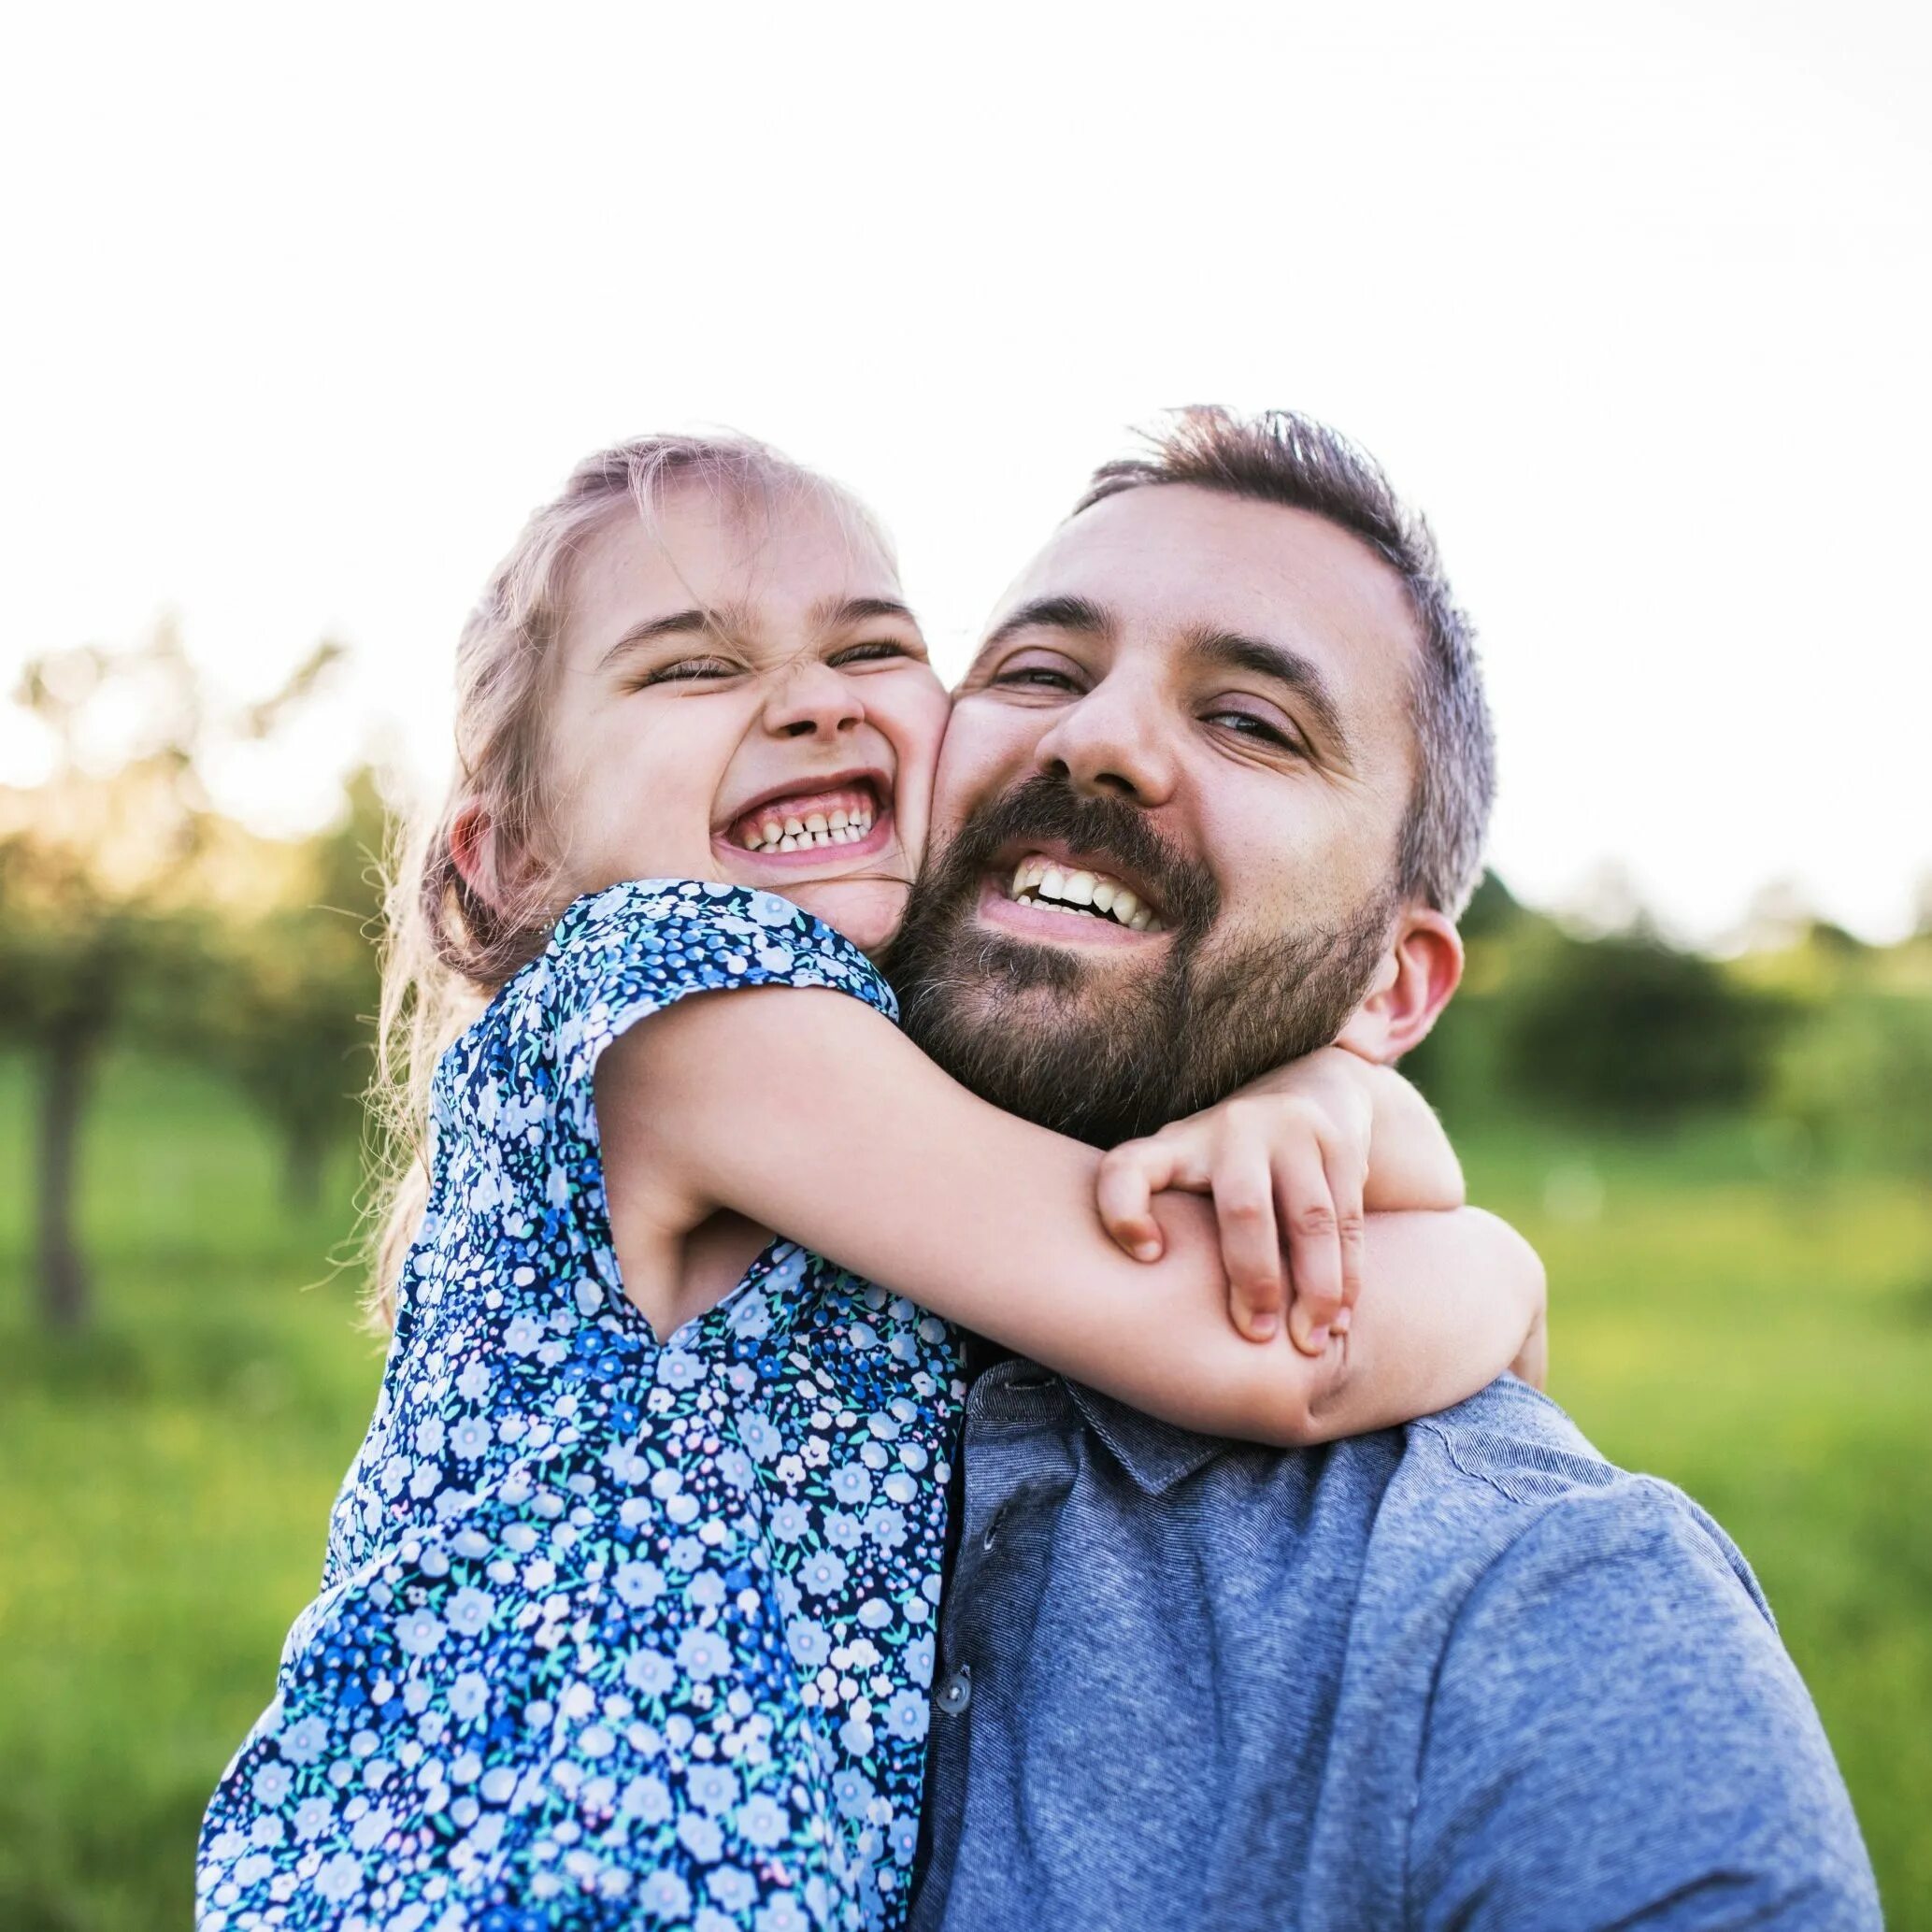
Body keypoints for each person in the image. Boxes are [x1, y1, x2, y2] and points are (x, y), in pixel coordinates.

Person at [196, 434, 1543, 1932]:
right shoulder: (684, 1000)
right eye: (693, 669)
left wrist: (1321, 1094)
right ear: (510, 854)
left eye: (874, 647)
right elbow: (1253, 1335)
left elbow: (1205, 1162)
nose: (816, 700)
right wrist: (1503, 1270)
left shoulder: (884, 1074)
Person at [891, 407, 1882, 1930]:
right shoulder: (636, 1299)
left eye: (1251, 722)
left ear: (1391, 991)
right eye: (1035, 671)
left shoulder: (1544, 1606)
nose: (1094, 739)